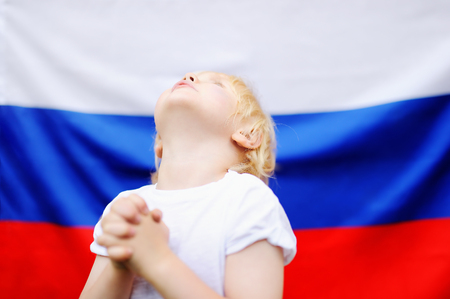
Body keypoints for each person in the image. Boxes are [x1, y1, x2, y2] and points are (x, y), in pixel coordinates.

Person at [80, 71, 297, 299]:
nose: (190, 76)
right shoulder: (125, 207)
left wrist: (157, 260)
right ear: (159, 143)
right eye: (189, 76)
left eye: (217, 84)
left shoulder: (248, 199)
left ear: (248, 134)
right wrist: (121, 265)